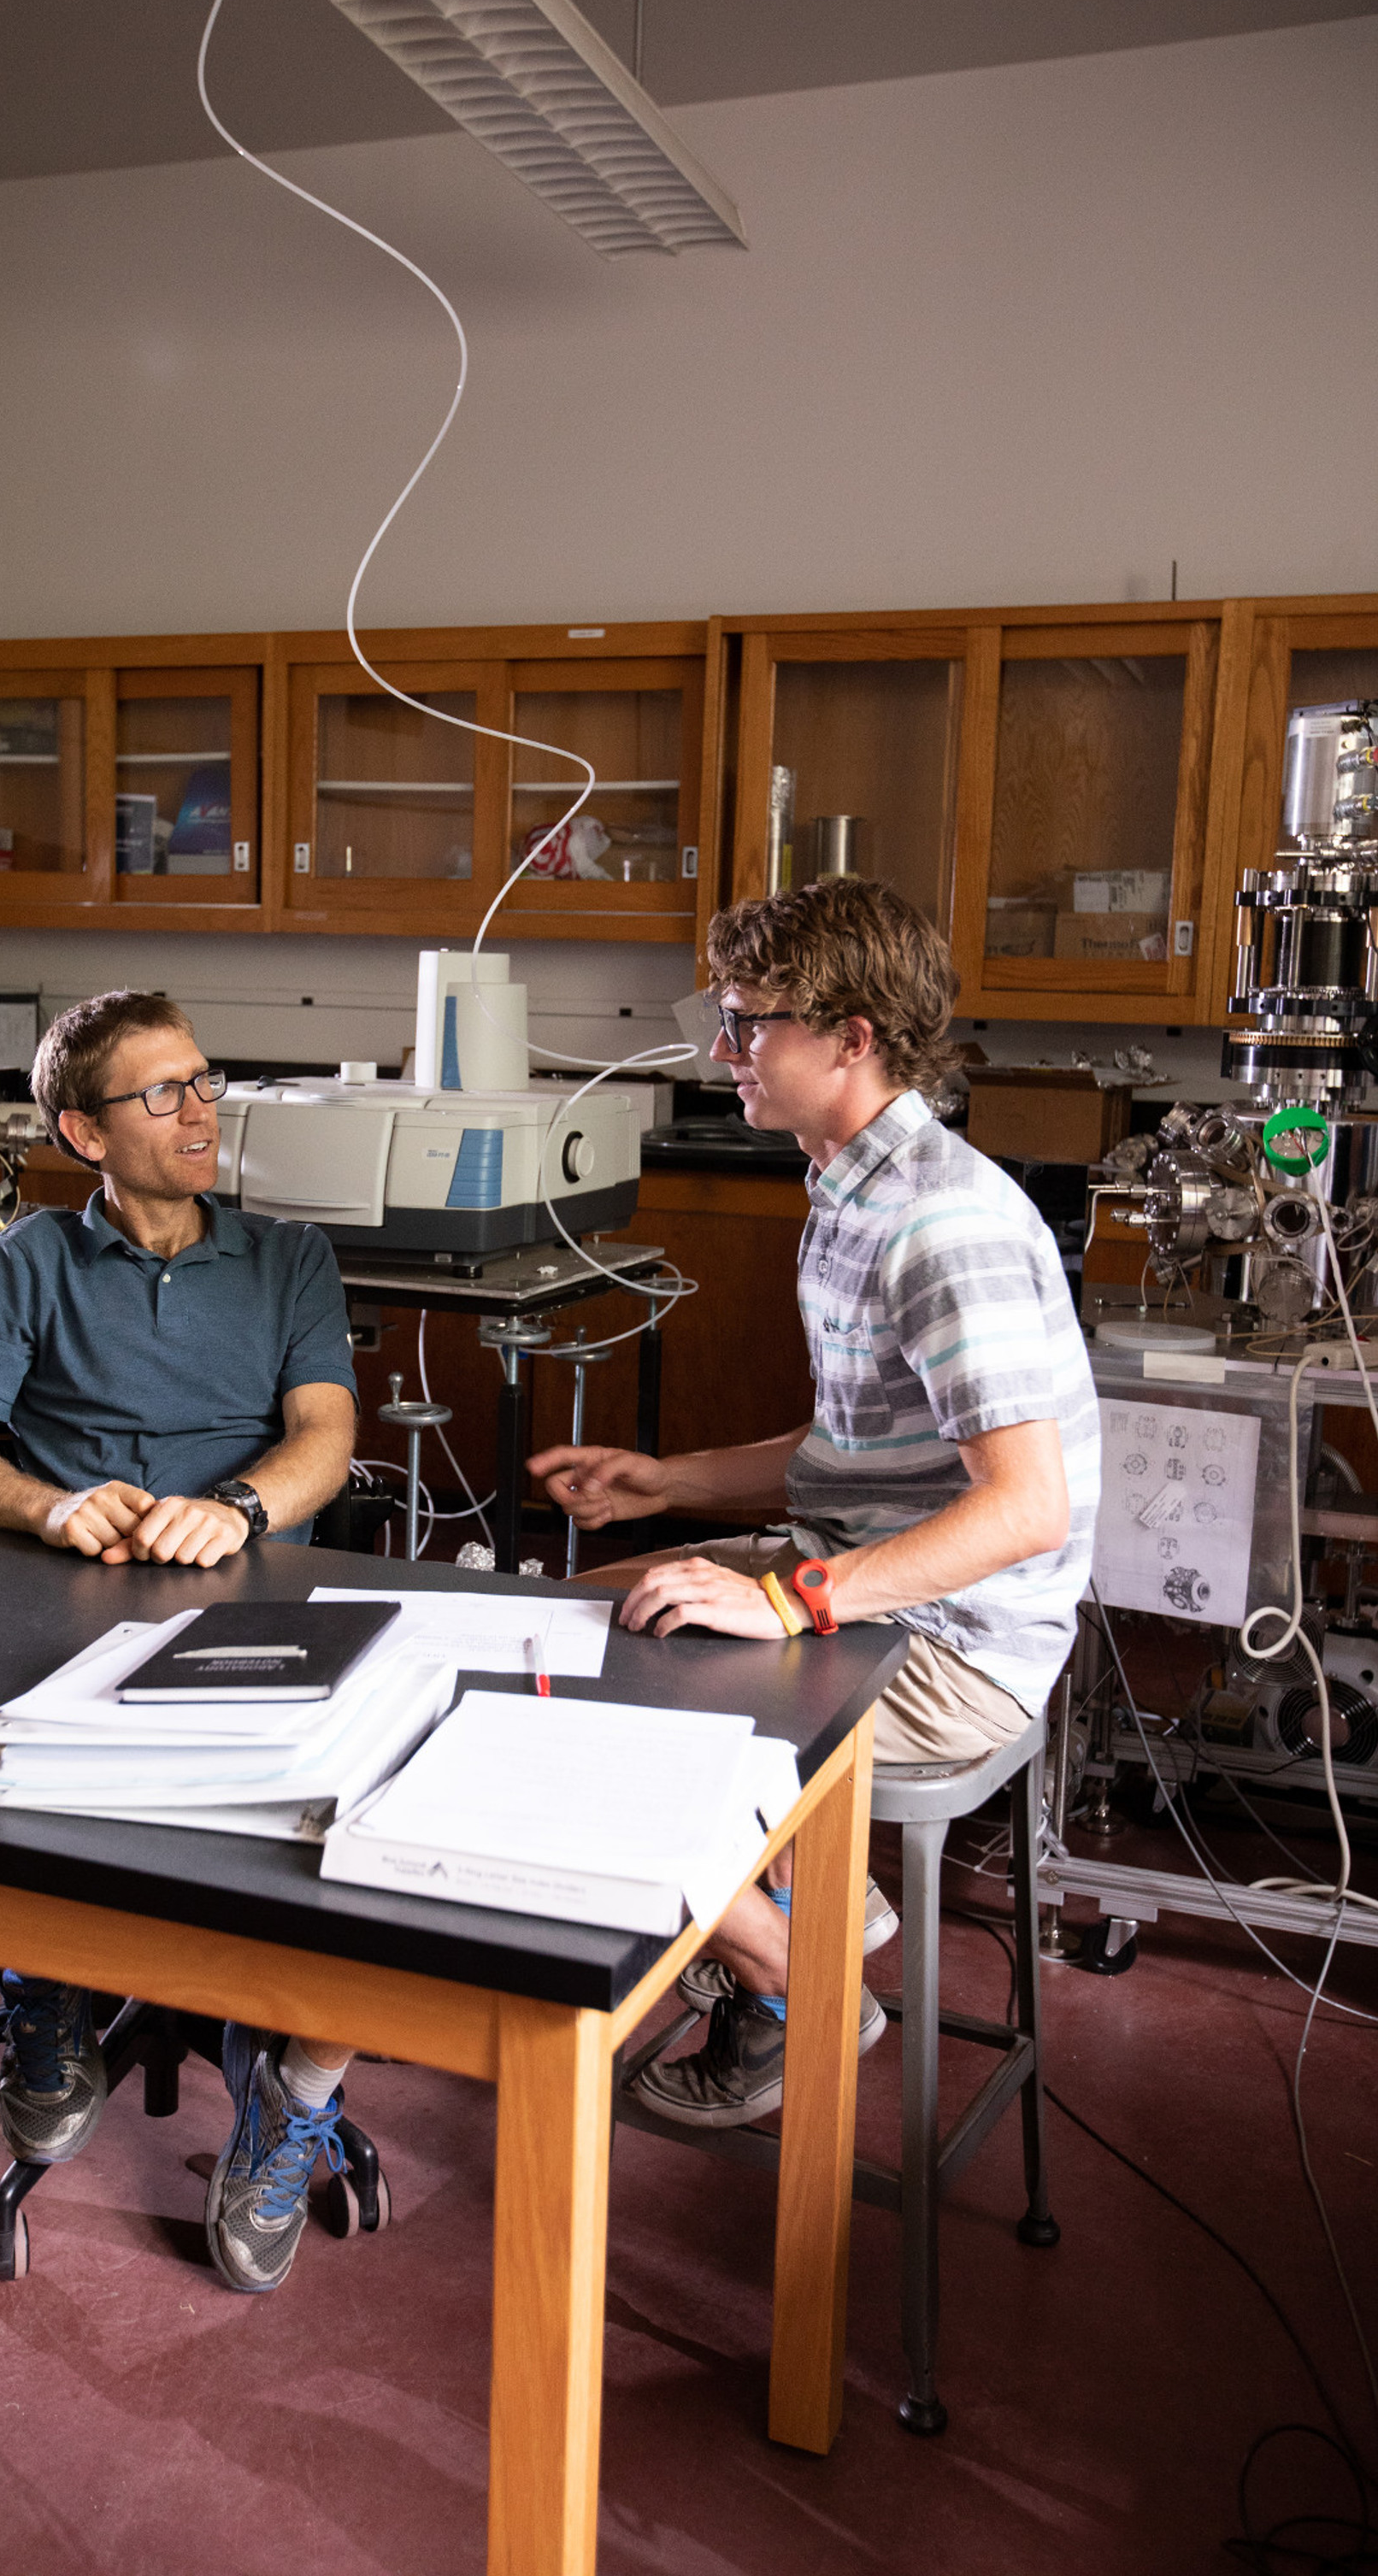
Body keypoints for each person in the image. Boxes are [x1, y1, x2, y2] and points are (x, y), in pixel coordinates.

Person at [528, 880, 1100, 2130]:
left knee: (596, 1710)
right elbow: (854, 1446)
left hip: (964, 1647)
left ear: (853, 1037)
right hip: (864, 1570)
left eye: (749, 1024)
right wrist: (664, 1482)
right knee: (551, 1631)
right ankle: (813, 1902)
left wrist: (789, 1599)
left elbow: (1026, 1508)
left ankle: (803, 1977)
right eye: (723, 1019)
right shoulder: (845, 1186)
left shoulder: (941, 1223)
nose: (722, 1052)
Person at [0, 988, 362, 2293]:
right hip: (71, 1593)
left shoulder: (286, 1260)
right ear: (84, 1133)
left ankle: (293, 2090)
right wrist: (49, 1502)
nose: (200, 1108)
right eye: (164, 1092)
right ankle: (44, 1981)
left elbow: (326, 1434)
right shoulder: (31, 1259)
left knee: (362, 1838)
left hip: (249, 1593)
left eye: (205, 1081)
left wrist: (238, 1508)